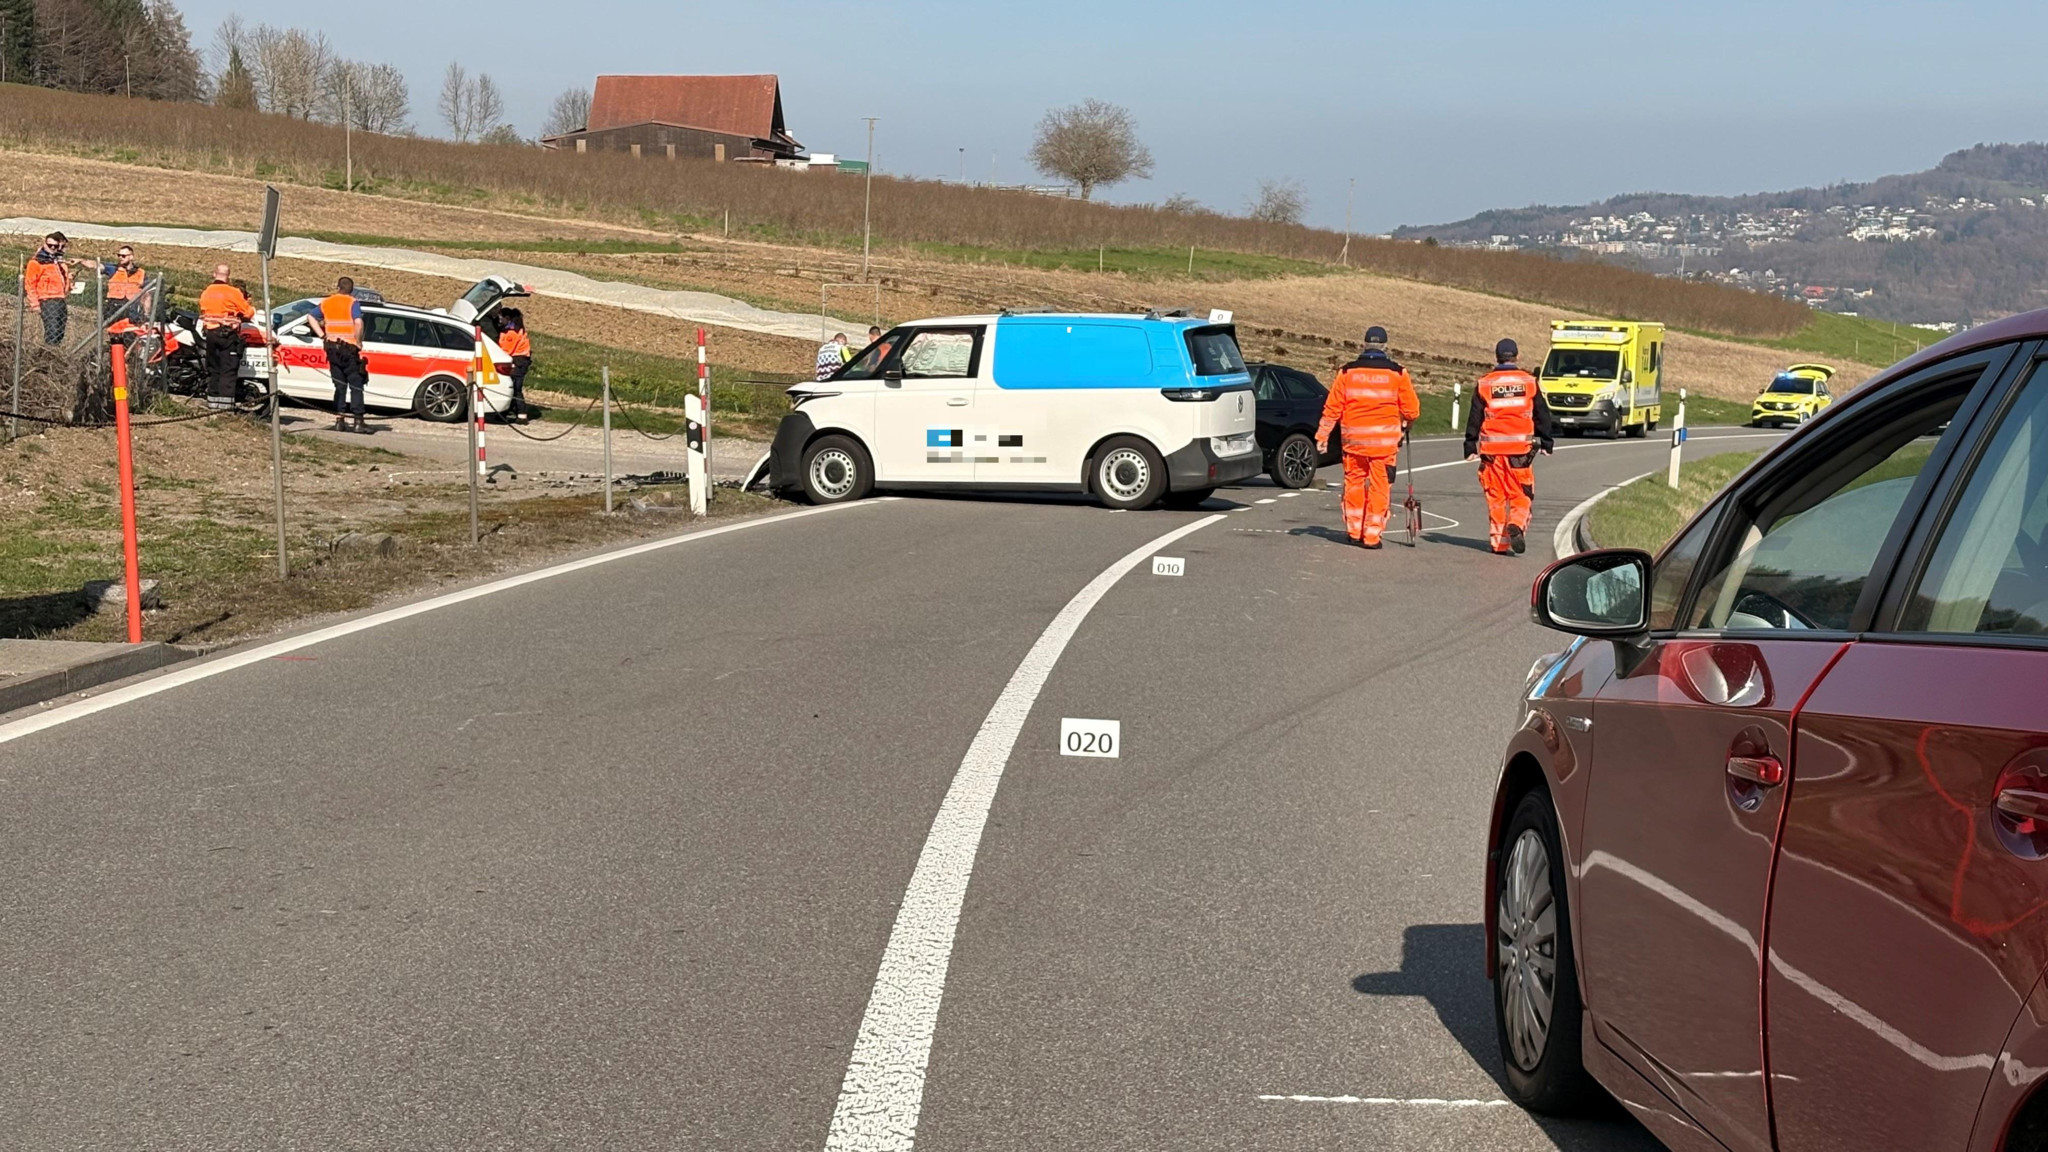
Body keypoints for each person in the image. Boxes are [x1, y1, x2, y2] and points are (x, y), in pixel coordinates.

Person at [1316, 326, 1420, 549]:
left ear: (1364, 345)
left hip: (1353, 443)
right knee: (1380, 487)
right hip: (1384, 445)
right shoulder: (1397, 373)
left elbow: (1332, 407)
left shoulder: (1347, 372)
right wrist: (1406, 423)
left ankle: (1354, 531)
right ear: (1385, 347)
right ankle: (1372, 536)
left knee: (1353, 484)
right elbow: (1412, 410)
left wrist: (1322, 435)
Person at [1464, 338, 1556, 556]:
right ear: (1516, 357)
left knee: (1495, 498)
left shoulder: (1485, 383)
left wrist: (1470, 445)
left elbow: (1475, 417)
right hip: (1520, 453)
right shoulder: (1529, 382)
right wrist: (1547, 442)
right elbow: (1541, 413)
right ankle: (1516, 523)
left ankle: (1499, 543)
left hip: (1492, 454)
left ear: (1497, 357)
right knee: (1521, 495)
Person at [307, 276, 369, 432]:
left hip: (331, 349)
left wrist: (322, 335)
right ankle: (358, 422)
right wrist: (359, 342)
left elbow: (310, 316)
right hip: (349, 349)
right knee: (356, 384)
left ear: (338, 287)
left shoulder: (327, 302)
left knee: (340, 386)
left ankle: (339, 421)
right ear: (351, 290)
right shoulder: (352, 302)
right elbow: (358, 322)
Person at [197, 263, 256, 411]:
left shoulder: (206, 292)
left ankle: (212, 403)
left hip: (210, 334)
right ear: (228, 276)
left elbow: (204, 310)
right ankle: (225, 407)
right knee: (228, 370)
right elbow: (248, 312)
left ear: (214, 274)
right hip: (228, 335)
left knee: (214, 368)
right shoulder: (233, 292)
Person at [24, 232, 78, 345]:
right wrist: (34, 304)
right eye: (50, 245)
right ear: (44, 244)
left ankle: (53, 350)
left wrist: (69, 285)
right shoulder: (37, 262)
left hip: (60, 299)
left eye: (56, 246)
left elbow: (59, 280)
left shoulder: (57, 261)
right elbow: (30, 284)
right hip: (47, 300)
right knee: (53, 331)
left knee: (59, 332)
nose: (53, 248)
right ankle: (49, 352)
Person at [497, 307, 533, 423]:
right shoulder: (516, 329)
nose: (500, 320)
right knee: (514, 388)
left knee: (515, 388)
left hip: (518, 362)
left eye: (501, 318)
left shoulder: (511, 333)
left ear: (507, 318)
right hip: (521, 361)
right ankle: (514, 412)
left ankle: (521, 414)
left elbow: (506, 350)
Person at [103, 246, 147, 322]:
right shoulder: (114, 269)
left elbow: (147, 293)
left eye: (123, 256)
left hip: (133, 307)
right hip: (114, 306)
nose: (120, 257)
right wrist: (83, 261)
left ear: (131, 257)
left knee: (131, 327)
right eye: (119, 255)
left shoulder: (141, 272)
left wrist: (146, 314)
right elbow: (98, 266)